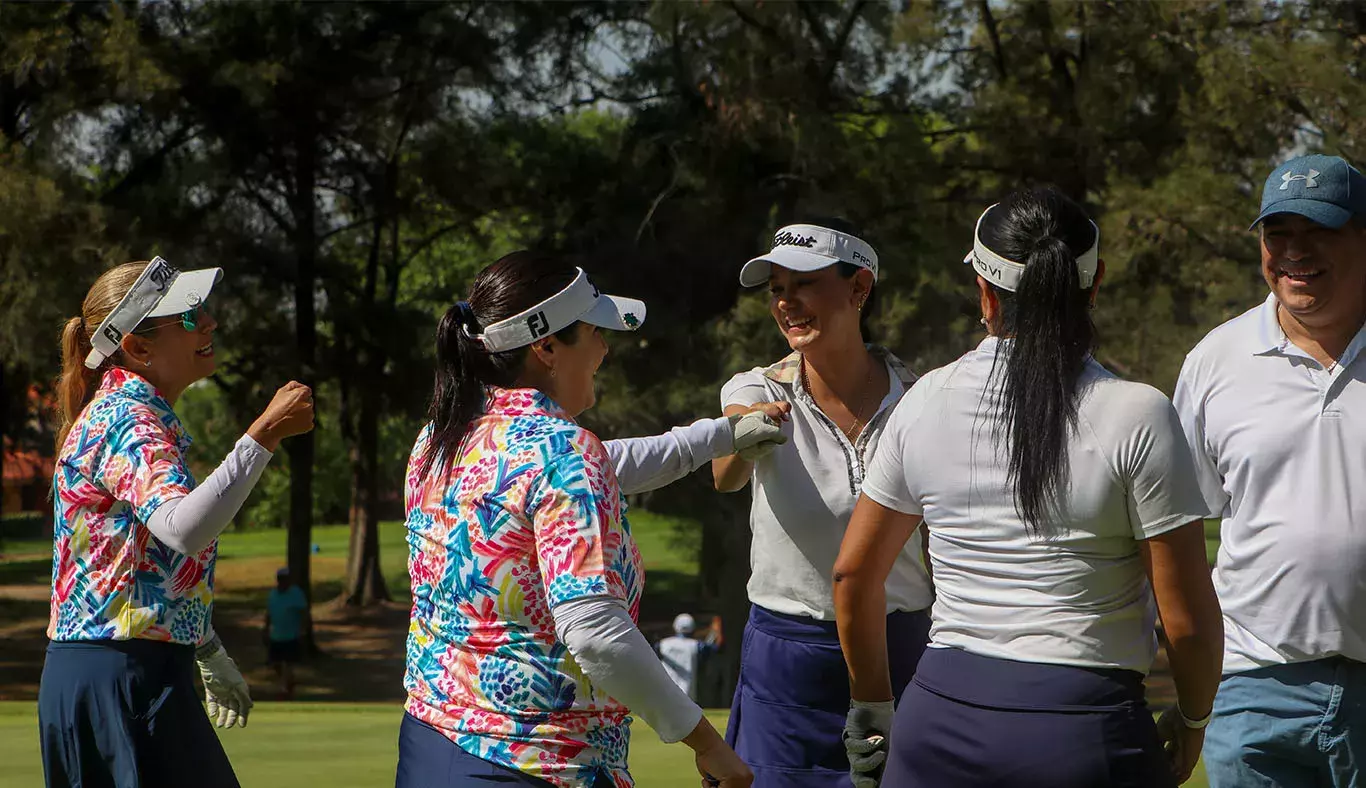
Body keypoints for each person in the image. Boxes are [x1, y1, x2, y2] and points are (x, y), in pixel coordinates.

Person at [833, 187, 1224, 787]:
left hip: (937, 723)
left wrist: (874, 708)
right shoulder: (1137, 414)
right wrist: (1193, 717)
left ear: (986, 295)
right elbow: (1187, 621)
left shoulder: (922, 403)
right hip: (1083, 730)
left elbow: (854, 576)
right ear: (1093, 289)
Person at [397, 250, 780, 788]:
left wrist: (722, 434)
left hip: (429, 746)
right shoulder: (564, 455)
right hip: (537, 766)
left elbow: (610, 461)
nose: (605, 346)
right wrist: (706, 741)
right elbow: (596, 634)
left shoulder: (443, 437)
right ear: (547, 346)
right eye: (594, 331)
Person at [40, 258, 315, 788]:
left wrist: (207, 648)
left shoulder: (135, 413)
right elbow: (183, 529)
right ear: (138, 349)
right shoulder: (126, 417)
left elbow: (150, 562)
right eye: (189, 317)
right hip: (119, 676)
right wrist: (263, 435)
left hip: (125, 670)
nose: (209, 322)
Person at [711, 219, 933, 787]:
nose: (786, 302)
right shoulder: (756, 387)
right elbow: (725, 475)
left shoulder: (923, 399)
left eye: (804, 283)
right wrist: (743, 435)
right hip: (790, 659)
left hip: (902, 649)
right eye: (776, 288)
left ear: (859, 289)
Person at [1173, 153, 1366, 787]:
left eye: (1319, 232)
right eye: (1278, 233)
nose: (1294, 252)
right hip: (1253, 684)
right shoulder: (1216, 361)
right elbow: (1172, 529)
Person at [264, 566, 311, 699]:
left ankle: (285, 691)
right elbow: (269, 613)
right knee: (275, 664)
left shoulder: (296, 594)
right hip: (276, 635)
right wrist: (266, 629)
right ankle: (289, 682)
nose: (282, 581)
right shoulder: (273, 594)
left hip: (291, 635)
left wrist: (303, 630)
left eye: (285, 579)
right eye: (280, 579)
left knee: (287, 664)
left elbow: (303, 613)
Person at [656, 613, 721, 701]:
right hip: (687, 694)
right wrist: (716, 630)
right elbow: (714, 647)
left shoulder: (662, 644)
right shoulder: (696, 645)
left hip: (665, 693)